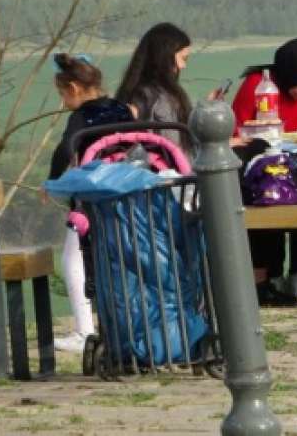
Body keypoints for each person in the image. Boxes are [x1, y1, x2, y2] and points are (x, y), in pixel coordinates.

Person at [232, 39, 297, 299]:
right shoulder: (257, 85)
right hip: (264, 158)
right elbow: (239, 130)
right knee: (270, 195)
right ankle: (271, 272)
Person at [47, 54, 134, 352]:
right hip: (127, 193)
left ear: (73, 88)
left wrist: (52, 181)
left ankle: (84, 330)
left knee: (73, 258)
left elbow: (66, 149)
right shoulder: (121, 109)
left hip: (90, 198)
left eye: (62, 94)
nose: (63, 101)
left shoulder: (81, 116)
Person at [115, 23, 194, 151]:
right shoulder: (160, 99)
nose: (183, 66)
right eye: (183, 58)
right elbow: (174, 146)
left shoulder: (131, 92)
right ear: (165, 57)